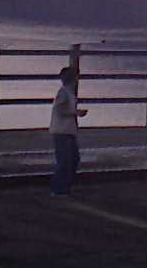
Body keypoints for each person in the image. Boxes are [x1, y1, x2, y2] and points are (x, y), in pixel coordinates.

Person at [49, 66, 87, 196]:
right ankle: (59, 188)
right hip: (62, 131)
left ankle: (63, 187)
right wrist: (76, 112)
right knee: (66, 161)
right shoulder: (64, 93)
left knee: (71, 159)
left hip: (66, 131)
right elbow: (59, 110)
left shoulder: (66, 92)